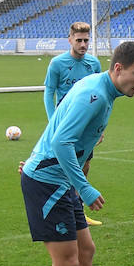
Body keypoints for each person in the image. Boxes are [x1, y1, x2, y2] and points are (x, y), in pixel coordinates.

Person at [20, 41, 134, 266]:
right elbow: (62, 142)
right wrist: (85, 188)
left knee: (85, 251)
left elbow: (62, 128)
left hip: (57, 179)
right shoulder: (93, 95)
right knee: (65, 262)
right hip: (49, 183)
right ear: (118, 68)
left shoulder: (101, 90)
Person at [43, 21, 104, 225]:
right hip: (65, 123)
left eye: (86, 40)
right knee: (61, 165)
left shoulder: (94, 64)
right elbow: (48, 92)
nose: (83, 44)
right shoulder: (57, 64)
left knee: (84, 165)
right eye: (79, 40)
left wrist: (99, 128)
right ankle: (58, 209)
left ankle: (77, 209)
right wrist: (53, 122)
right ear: (70, 40)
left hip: (86, 125)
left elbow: (100, 95)